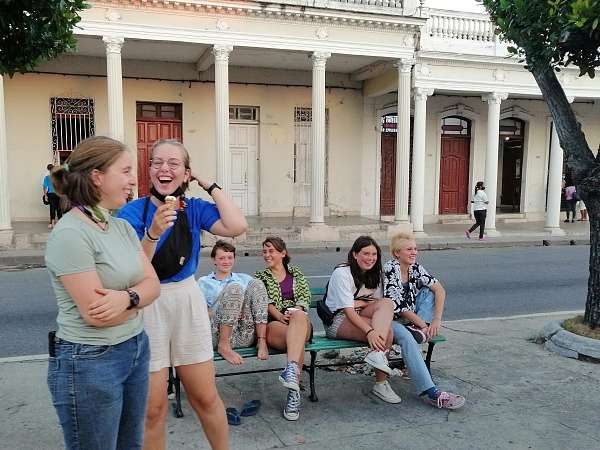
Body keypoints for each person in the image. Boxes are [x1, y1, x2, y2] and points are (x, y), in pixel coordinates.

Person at [118, 139, 247, 450]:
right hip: (148, 303)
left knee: (204, 396)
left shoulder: (194, 209)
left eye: (174, 163)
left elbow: (237, 225)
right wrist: (153, 233)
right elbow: (131, 270)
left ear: (186, 173)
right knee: (153, 408)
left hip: (186, 300)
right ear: (148, 171)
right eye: (157, 163)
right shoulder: (131, 212)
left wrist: (209, 184)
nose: (164, 169)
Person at [44, 136, 161, 450]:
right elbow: (99, 316)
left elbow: (154, 286)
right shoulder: (70, 233)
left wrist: (126, 297)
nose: (133, 179)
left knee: (130, 445)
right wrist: (140, 295)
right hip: (90, 361)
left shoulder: (120, 227)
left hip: (135, 347)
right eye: (125, 171)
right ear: (97, 176)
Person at [383, 231, 466, 410]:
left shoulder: (415, 268)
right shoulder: (390, 268)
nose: (414, 252)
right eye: (409, 249)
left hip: (412, 319)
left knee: (430, 291)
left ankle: (419, 330)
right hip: (388, 320)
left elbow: (440, 290)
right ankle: (431, 392)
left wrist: (436, 320)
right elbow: (399, 306)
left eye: (415, 249)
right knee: (407, 338)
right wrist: (422, 323)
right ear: (397, 253)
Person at [322, 236, 401, 404]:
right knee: (387, 333)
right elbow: (348, 311)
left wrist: (360, 303)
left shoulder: (376, 274)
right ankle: (381, 382)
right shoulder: (342, 272)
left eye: (374, 254)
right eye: (365, 253)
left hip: (362, 314)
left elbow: (378, 304)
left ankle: (377, 356)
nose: (370, 258)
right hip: (337, 321)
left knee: (387, 303)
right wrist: (369, 331)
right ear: (355, 254)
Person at [254, 236, 312, 421]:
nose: (267, 255)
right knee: (297, 341)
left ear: (283, 253)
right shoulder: (260, 277)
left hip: (299, 320)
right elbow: (264, 302)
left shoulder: (296, 273)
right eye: (264, 251)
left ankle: (291, 374)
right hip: (275, 324)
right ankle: (293, 393)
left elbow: (305, 296)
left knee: (300, 319)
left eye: (271, 251)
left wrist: (297, 311)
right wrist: (280, 316)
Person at [198, 240, 269, 365]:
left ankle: (261, 340)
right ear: (214, 260)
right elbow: (198, 315)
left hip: (243, 334)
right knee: (235, 288)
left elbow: (258, 302)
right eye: (221, 258)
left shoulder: (244, 279)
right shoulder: (203, 282)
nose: (226, 261)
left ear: (234, 259)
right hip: (217, 335)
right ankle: (224, 345)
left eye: (230, 258)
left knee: (257, 283)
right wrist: (229, 310)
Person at [43, 163, 63, 229]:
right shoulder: (58, 177)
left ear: (48, 170)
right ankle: (60, 222)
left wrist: (45, 195)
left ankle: (52, 223)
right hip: (58, 194)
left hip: (51, 194)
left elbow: (45, 187)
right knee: (59, 208)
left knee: (52, 208)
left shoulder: (47, 177)